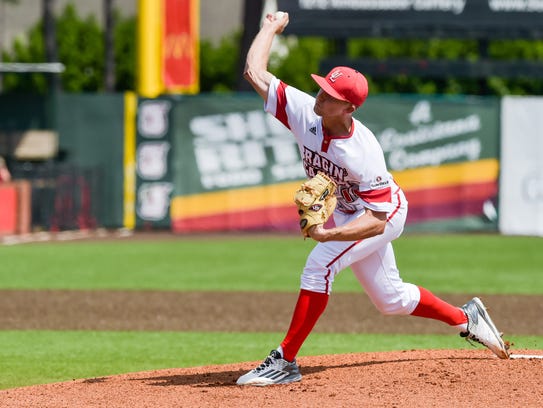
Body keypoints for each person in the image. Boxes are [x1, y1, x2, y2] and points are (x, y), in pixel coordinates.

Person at [236, 12, 509, 386]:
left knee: (319, 266)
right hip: (352, 212)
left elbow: (378, 220)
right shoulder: (305, 113)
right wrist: (269, 27)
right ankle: (467, 318)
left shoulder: (362, 152)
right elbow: (255, 72)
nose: (320, 96)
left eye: (331, 96)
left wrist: (329, 235)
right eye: (322, 88)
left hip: (380, 213)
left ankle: (285, 360)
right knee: (390, 299)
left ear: (349, 108)